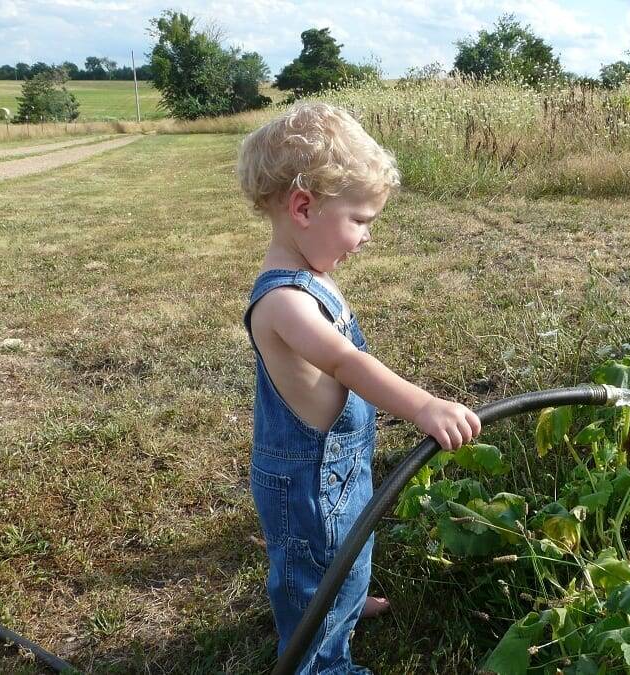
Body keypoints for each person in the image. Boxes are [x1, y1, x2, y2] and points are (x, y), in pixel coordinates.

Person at [237, 102, 482, 674]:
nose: (367, 236)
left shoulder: (313, 278)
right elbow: (345, 363)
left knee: (348, 547)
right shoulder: (284, 302)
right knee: (313, 565)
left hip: (338, 466)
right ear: (303, 207)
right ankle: (322, 658)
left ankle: (340, 603)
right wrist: (422, 404)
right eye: (361, 219)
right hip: (306, 476)